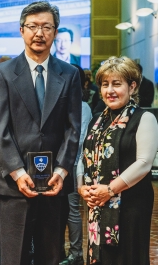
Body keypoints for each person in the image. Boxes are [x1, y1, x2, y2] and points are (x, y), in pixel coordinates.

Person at [0, 1, 82, 265]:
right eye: (33, 26)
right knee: (13, 255)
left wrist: (62, 171)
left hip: (54, 183)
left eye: (46, 27)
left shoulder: (70, 74)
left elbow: (73, 128)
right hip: (14, 182)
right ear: (21, 30)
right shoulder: (2, 73)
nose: (39, 33)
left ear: (55, 32)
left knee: (50, 254)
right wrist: (18, 172)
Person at [79, 56, 158, 264]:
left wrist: (110, 190)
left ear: (132, 87)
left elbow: (143, 163)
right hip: (98, 203)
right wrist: (82, 187)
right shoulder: (97, 120)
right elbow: (84, 155)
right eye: (105, 85)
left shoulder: (144, 118)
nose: (109, 91)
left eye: (117, 84)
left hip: (131, 204)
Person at [59, 65, 92, 265]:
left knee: (72, 210)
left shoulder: (83, 106)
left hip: (72, 164)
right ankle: (59, 251)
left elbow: (79, 140)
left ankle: (76, 254)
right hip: (55, 164)